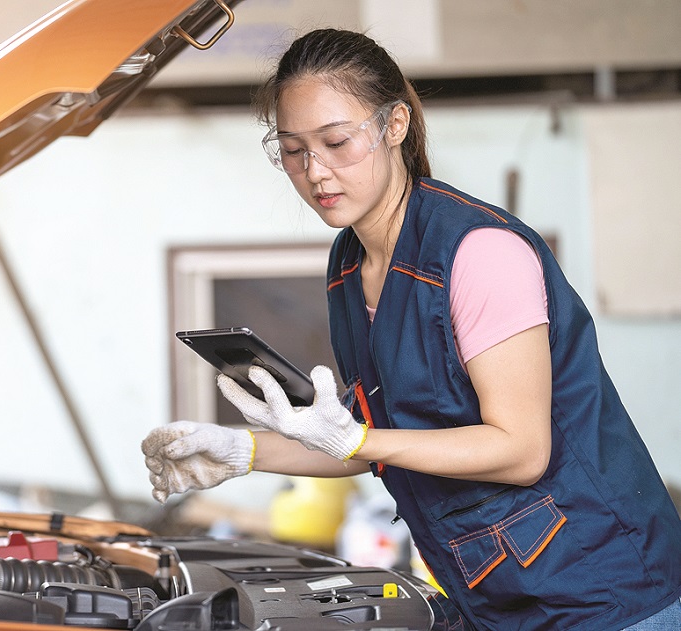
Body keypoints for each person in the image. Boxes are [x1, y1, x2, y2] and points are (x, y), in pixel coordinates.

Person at [142, 28, 681, 631]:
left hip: (604, 592)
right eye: (293, 150)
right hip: (499, 598)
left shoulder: (480, 253)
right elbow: (379, 436)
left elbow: (522, 450)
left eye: (337, 142)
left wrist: (357, 442)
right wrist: (241, 450)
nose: (315, 171)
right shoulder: (350, 264)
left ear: (394, 124)